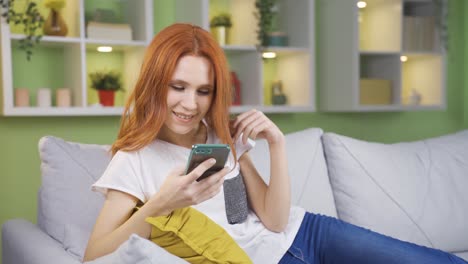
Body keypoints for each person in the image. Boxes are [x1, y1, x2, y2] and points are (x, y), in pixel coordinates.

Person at [83, 23, 467, 264]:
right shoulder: (134, 158)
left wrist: (277, 145)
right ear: (155, 83)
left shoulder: (219, 135)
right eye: (177, 87)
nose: (190, 104)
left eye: (204, 91)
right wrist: (161, 203)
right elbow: (93, 256)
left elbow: (272, 220)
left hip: (308, 233)